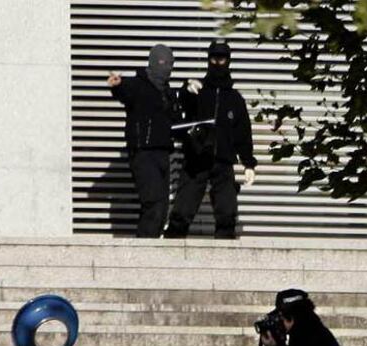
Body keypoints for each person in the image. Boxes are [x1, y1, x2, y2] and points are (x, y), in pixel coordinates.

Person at [164, 39, 257, 239]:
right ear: (208, 59)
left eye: (221, 59)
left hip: (223, 162)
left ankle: (225, 257)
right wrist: (185, 89)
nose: (217, 63)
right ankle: (170, 249)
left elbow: (243, 132)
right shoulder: (198, 91)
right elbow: (180, 110)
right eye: (214, 58)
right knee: (182, 210)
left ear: (228, 61)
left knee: (227, 212)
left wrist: (248, 163)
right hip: (196, 159)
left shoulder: (234, 99)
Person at [108, 44, 180, 238]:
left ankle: (152, 248)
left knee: (162, 207)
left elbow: (176, 120)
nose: (166, 68)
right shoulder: (138, 84)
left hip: (163, 153)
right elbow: (125, 91)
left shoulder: (168, 92)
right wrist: (117, 85)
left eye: (170, 64)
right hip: (143, 152)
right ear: (153, 62)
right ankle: (143, 252)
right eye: (163, 63)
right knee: (153, 203)